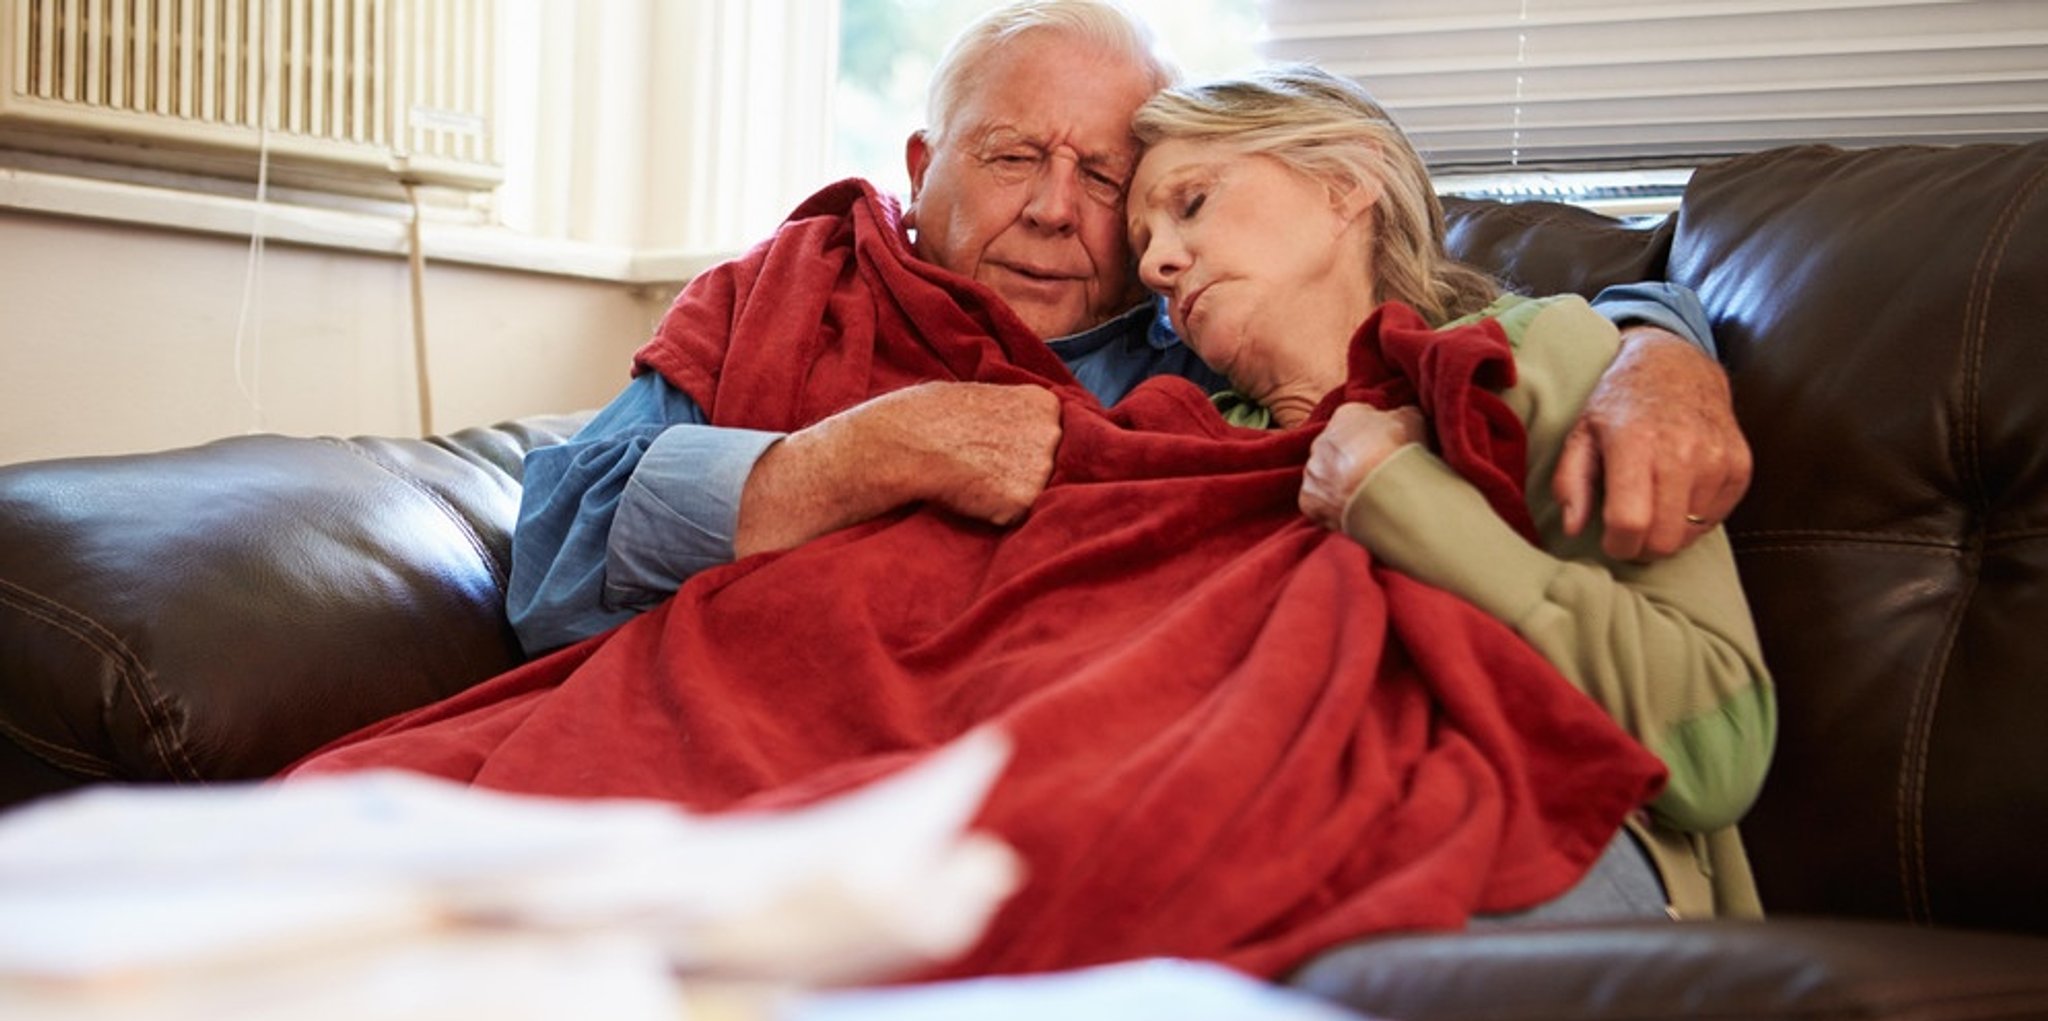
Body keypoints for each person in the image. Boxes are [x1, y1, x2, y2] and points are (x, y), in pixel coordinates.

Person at [505, 0, 1749, 658]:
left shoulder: (1195, 331)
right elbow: (556, 558)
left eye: (1105, 178)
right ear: (922, 165)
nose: (1056, 211)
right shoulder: (780, 291)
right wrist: (869, 453)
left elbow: (1448, 311)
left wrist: (1664, 354)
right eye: (1008, 159)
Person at [1124, 62, 1774, 919]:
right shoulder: (1182, 441)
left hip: (1556, 843)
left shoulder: (1538, 355)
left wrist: (1401, 500)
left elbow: (1715, 757)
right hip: (1269, 841)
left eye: (1192, 203)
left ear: (1344, 183)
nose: (1158, 266)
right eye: (1141, 247)